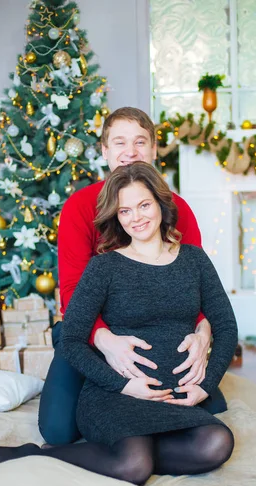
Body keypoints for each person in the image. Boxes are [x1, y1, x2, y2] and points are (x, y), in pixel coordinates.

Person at [0, 162, 238, 484]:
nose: (136, 218)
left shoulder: (194, 260)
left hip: (174, 395)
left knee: (216, 444)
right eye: (125, 211)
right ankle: (34, 455)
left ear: (161, 204)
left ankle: (128, 450)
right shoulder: (105, 267)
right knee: (132, 468)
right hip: (115, 395)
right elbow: (71, 340)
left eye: (143, 205)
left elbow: (225, 327)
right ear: (117, 217)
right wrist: (125, 385)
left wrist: (204, 386)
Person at [38, 107, 214, 446]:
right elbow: (72, 290)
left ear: (154, 150)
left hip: (155, 330)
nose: (130, 152)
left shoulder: (178, 209)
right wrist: (106, 342)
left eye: (140, 142)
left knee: (205, 408)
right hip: (90, 331)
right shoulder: (79, 206)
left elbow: (200, 286)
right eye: (119, 143)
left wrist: (202, 334)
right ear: (105, 152)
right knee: (59, 431)